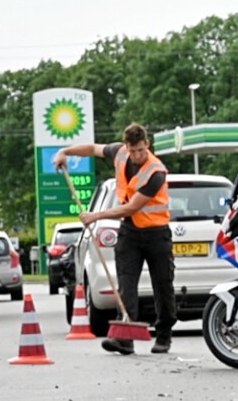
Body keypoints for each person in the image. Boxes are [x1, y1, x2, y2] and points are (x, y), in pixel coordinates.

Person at [55, 123, 173, 356]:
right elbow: (92, 148)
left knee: (163, 285)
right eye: (133, 151)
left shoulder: (156, 172)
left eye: (141, 150)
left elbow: (131, 207)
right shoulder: (119, 153)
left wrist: (96, 216)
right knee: (125, 285)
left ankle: (163, 335)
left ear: (147, 145)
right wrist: (65, 152)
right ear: (126, 147)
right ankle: (125, 339)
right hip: (129, 233)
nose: (137, 155)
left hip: (156, 235)